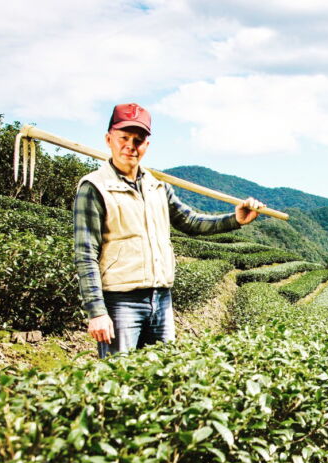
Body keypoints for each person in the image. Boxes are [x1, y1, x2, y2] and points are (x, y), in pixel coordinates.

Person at [74, 102, 265, 357]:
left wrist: (236, 219)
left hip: (161, 299)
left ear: (147, 146)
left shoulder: (158, 187)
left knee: (162, 377)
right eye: (124, 138)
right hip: (121, 301)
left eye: (138, 140)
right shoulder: (95, 187)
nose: (131, 146)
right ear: (109, 139)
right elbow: (85, 253)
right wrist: (97, 312)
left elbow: (191, 222)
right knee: (118, 380)